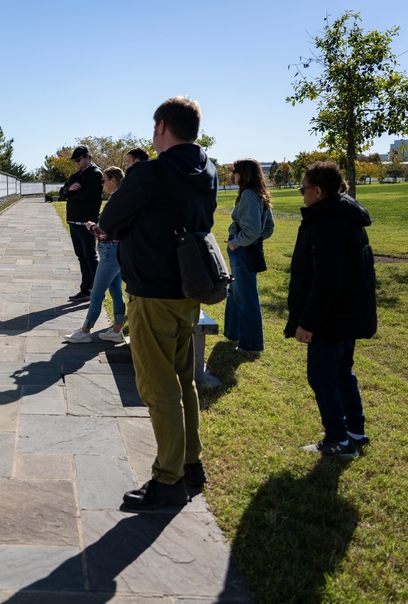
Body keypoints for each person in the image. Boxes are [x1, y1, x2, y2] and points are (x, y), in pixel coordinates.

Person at [97, 96, 217, 510]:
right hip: (189, 291)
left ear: (162, 126)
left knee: (157, 386)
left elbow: (111, 221)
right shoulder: (208, 169)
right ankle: (191, 464)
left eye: (153, 128)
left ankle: (168, 481)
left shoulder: (148, 173)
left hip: (151, 295)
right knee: (183, 381)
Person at [286, 161, 377, 458]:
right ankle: (355, 430)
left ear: (317, 190)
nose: (301, 194)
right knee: (340, 372)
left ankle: (338, 439)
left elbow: (327, 280)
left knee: (322, 376)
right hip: (345, 313)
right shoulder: (344, 212)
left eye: (302, 189)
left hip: (331, 317)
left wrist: (307, 322)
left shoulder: (327, 221)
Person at [64, 166, 127, 343]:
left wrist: (92, 227)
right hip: (115, 252)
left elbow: (107, 230)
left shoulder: (116, 200)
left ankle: (85, 331)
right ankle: (116, 331)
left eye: (104, 180)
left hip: (110, 253)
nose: (102, 183)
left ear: (113, 181)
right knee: (116, 292)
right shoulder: (121, 199)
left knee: (96, 294)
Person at [224, 158, 275, 358]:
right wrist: (254, 240)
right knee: (236, 292)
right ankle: (233, 334)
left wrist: (237, 242)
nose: (233, 174)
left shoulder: (247, 195)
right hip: (247, 249)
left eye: (235, 171)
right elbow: (268, 227)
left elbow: (253, 229)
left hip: (242, 251)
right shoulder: (260, 195)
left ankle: (252, 345)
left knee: (246, 297)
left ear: (243, 174)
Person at [59, 145, 103, 301]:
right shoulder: (77, 175)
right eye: (75, 161)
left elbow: (87, 195)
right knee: (81, 257)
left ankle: (98, 291)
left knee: (90, 257)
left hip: (86, 222)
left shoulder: (95, 174)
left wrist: (71, 193)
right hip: (73, 220)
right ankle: (86, 289)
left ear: (88, 157)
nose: (76, 163)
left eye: (78, 160)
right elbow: (62, 193)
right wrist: (70, 190)